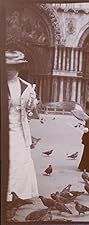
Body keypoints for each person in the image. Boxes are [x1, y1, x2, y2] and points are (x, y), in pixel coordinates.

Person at [6, 50, 39, 201]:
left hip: (18, 130)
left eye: (11, 67)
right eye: (5, 66)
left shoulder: (26, 87)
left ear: (18, 67)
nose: (7, 70)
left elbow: (30, 111)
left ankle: (15, 195)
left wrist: (32, 107)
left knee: (18, 162)